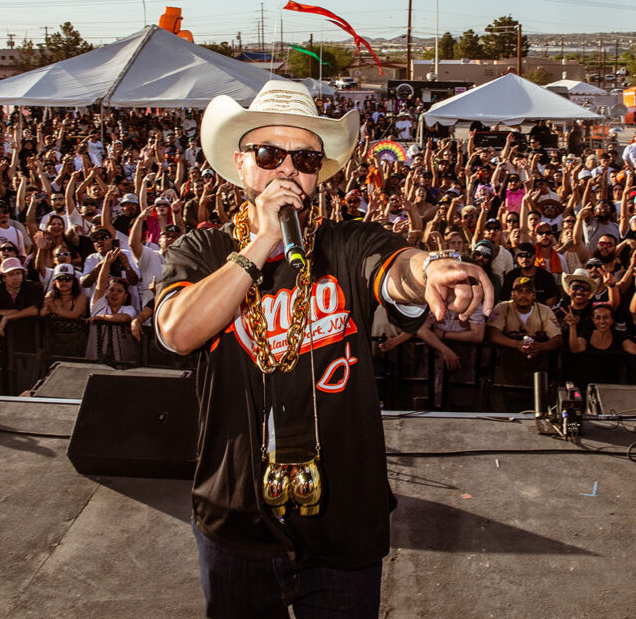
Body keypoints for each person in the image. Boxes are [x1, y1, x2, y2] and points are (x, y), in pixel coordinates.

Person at [154, 81, 492, 617]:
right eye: (269, 154)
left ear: (318, 174)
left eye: (306, 158)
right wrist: (262, 242)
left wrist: (430, 267)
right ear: (240, 164)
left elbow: (398, 268)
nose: (288, 170)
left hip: (344, 523)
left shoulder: (346, 242)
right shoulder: (200, 250)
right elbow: (178, 331)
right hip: (238, 517)